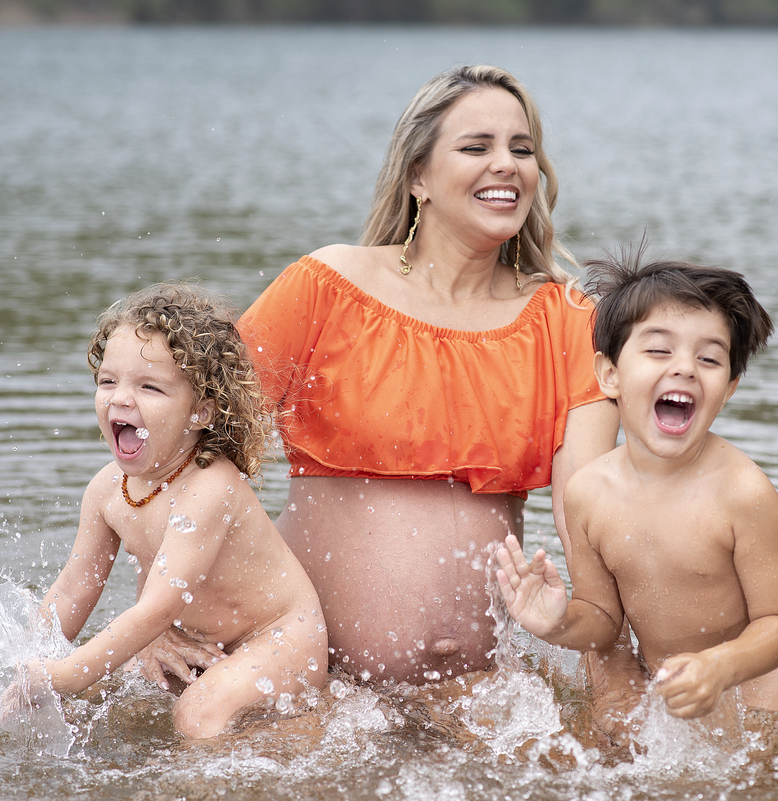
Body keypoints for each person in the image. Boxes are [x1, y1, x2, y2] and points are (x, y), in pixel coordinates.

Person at [185, 65, 619, 685]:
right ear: (418, 175)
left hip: (478, 696)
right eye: (476, 147)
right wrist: (164, 618)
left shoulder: (572, 321)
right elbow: (187, 451)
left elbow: (590, 519)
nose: (507, 165)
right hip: (311, 683)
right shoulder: (327, 285)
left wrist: (612, 680)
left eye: (522, 150)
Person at [4, 282, 327, 739]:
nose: (119, 398)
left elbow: (157, 607)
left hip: (277, 637)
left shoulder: (209, 489)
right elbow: (75, 587)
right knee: (103, 701)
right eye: (108, 381)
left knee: (196, 718)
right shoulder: (105, 490)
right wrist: (26, 664)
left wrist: (67, 675)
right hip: (192, 637)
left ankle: (303, 735)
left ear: (201, 413)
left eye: (150, 387)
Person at [495, 254, 778, 721]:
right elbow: (602, 619)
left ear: (730, 387)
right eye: (659, 350)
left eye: (710, 358)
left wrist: (719, 667)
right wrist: (556, 623)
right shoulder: (588, 494)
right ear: (609, 375)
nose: (685, 368)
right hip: (661, 707)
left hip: (747, 708)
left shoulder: (743, 493)